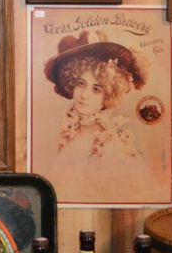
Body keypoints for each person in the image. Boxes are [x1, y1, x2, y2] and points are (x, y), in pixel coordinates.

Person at [43, 30, 147, 164]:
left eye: (96, 89)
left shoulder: (114, 144)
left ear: (109, 95)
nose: (85, 95)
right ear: (71, 83)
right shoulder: (61, 133)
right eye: (80, 84)